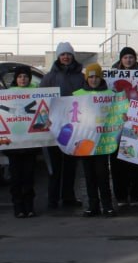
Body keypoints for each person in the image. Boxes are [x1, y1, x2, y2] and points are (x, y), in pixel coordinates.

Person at [40, 41, 85, 210]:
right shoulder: (49, 77)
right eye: (62, 54)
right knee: (55, 165)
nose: (66, 57)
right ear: (58, 57)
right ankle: (53, 199)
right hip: (54, 128)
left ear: (73, 56)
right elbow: (41, 101)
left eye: (68, 54)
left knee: (71, 165)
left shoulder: (81, 77)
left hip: (74, 128)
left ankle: (68, 196)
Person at [73, 63, 115, 217]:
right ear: (86, 78)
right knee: (89, 175)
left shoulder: (111, 94)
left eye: (96, 76)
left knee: (103, 175)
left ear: (101, 77)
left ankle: (107, 205)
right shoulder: (77, 94)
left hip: (103, 142)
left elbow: (117, 114)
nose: (94, 79)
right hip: (84, 142)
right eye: (91, 77)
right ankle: (92, 205)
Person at [110, 46, 138, 208]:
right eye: (125, 57)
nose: (128, 60)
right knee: (119, 165)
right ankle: (121, 196)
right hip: (117, 125)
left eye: (131, 57)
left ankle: (136, 195)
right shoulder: (111, 77)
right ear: (121, 59)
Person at [5, 66, 40, 218]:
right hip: (12, 145)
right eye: (20, 76)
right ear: (16, 78)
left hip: (30, 144)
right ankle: (18, 206)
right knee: (15, 178)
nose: (23, 79)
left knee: (29, 176)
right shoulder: (7, 95)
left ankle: (29, 206)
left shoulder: (36, 94)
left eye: (25, 76)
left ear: (29, 78)